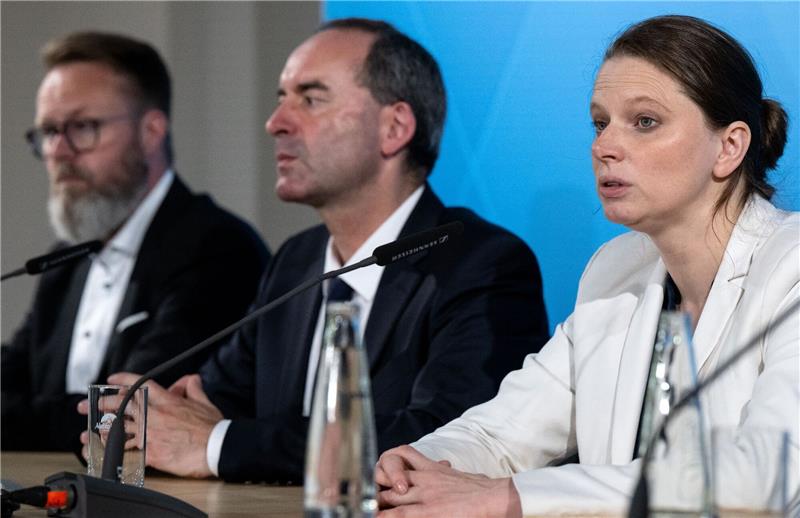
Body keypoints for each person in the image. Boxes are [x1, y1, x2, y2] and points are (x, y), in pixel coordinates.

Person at [375, 14, 799, 517]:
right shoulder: (614, 271)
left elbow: (762, 479)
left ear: (729, 146)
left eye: (645, 122)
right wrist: (422, 463)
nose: (604, 147)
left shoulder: (790, 267)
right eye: (600, 123)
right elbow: (503, 431)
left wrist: (509, 498)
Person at [93, 18, 550, 482]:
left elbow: (447, 439)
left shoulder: (482, 264)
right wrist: (166, 421)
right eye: (280, 100)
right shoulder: (295, 263)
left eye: (310, 99)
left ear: (394, 128)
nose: (275, 123)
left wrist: (219, 443)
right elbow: (211, 402)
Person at [1, 32, 270, 453]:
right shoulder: (64, 259)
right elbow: (14, 375)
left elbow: (127, 413)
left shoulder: (217, 248)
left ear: (151, 131)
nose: (59, 151)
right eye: (49, 131)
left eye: (83, 127)